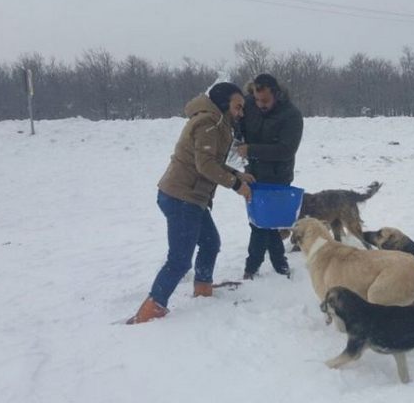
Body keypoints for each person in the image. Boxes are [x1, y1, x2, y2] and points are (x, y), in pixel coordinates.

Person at [127, 83, 255, 324]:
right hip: (182, 197)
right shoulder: (209, 123)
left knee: (210, 242)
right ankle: (152, 307)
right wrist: (237, 185)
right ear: (223, 104)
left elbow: (209, 160)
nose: (241, 112)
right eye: (238, 106)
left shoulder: (217, 122)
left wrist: (236, 174)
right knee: (180, 259)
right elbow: (204, 165)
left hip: (189, 197)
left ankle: (203, 288)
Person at [237, 73, 304, 279]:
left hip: (278, 177)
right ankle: (280, 265)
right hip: (252, 175)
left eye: (265, 101)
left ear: (276, 94)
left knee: (264, 223)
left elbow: (286, 150)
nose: (260, 104)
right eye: (256, 100)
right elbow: (239, 128)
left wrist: (251, 150)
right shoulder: (248, 105)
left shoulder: (291, 115)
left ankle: (252, 268)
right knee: (263, 223)